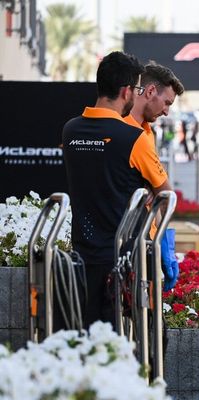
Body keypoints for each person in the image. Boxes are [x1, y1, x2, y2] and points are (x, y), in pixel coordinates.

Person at [61, 51, 173, 329]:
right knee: (146, 338)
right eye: (136, 89)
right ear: (126, 91)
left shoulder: (70, 131)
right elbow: (167, 196)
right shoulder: (135, 138)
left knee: (87, 337)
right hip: (125, 261)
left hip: (81, 256)